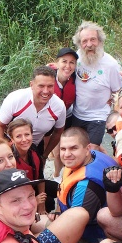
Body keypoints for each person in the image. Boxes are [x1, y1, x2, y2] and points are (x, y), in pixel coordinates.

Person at [57, 127, 118, 243]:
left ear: (87, 149)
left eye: (73, 148)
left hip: (92, 236)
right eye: (63, 149)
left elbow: (73, 227)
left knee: (38, 225)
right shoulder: (93, 155)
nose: (67, 154)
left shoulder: (85, 187)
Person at [70, 21, 122, 152]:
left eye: (93, 40)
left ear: (100, 41)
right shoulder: (77, 58)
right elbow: (64, 68)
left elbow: (119, 91)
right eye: (84, 41)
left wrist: (117, 114)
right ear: (80, 44)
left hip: (98, 116)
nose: (89, 45)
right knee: (74, 148)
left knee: (91, 150)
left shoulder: (111, 65)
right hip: (76, 113)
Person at [0, 66, 66, 160]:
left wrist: (44, 156)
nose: (45, 91)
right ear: (31, 85)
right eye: (41, 86)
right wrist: (2, 153)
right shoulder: (15, 99)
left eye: (50, 86)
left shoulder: (59, 106)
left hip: (36, 146)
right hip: (11, 144)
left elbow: (58, 132)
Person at [7, 118, 50, 214]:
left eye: (27, 134)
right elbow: (10, 192)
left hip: (32, 185)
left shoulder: (33, 148)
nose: (24, 140)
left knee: (56, 191)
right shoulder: (9, 158)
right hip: (17, 195)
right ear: (12, 139)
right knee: (49, 202)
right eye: (18, 136)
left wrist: (41, 206)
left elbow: (40, 177)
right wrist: (34, 201)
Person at [49, 47, 79, 177]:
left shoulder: (76, 77)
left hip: (67, 116)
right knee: (55, 150)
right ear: (57, 63)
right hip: (50, 119)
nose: (68, 66)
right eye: (64, 61)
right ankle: (56, 175)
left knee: (64, 147)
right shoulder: (48, 76)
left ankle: (63, 174)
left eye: (72, 62)